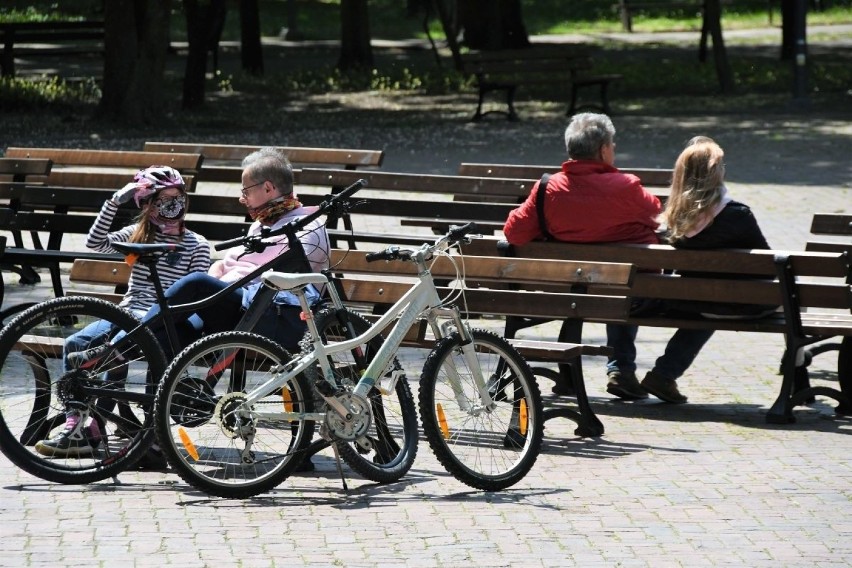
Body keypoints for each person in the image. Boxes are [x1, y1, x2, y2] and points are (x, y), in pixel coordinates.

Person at [68, 146, 330, 367]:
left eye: (246, 191)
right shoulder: (263, 223)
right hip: (237, 305)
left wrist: (217, 281)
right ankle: (158, 414)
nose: (242, 199)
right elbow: (231, 264)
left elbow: (286, 277)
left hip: (271, 313)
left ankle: (117, 348)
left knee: (195, 283)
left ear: (269, 188)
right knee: (169, 336)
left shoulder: (307, 227)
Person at [35, 166, 211, 457]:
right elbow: (95, 243)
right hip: (128, 314)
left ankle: (149, 433)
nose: (173, 205)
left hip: (166, 321)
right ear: (147, 205)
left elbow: (193, 297)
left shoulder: (196, 245)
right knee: (76, 344)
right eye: (163, 200)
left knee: (124, 350)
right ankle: (79, 424)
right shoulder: (137, 235)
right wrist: (114, 202)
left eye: (178, 198)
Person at [503, 112, 662, 401]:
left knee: (609, 279)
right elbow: (656, 215)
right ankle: (623, 370)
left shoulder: (547, 188)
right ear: (603, 150)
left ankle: (581, 375)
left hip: (565, 291)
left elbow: (514, 233)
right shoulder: (625, 187)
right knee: (623, 278)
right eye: (612, 144)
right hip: (628, 293)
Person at [637, 137, 775, 404]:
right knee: (788, 299)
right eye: (721, 166)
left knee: (709, 299)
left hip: (693, 303)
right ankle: (797, 371)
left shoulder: (673, 222)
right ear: (715, 174)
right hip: (744, 305)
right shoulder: (738, 215)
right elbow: (768, 267)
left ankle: (664, 374)